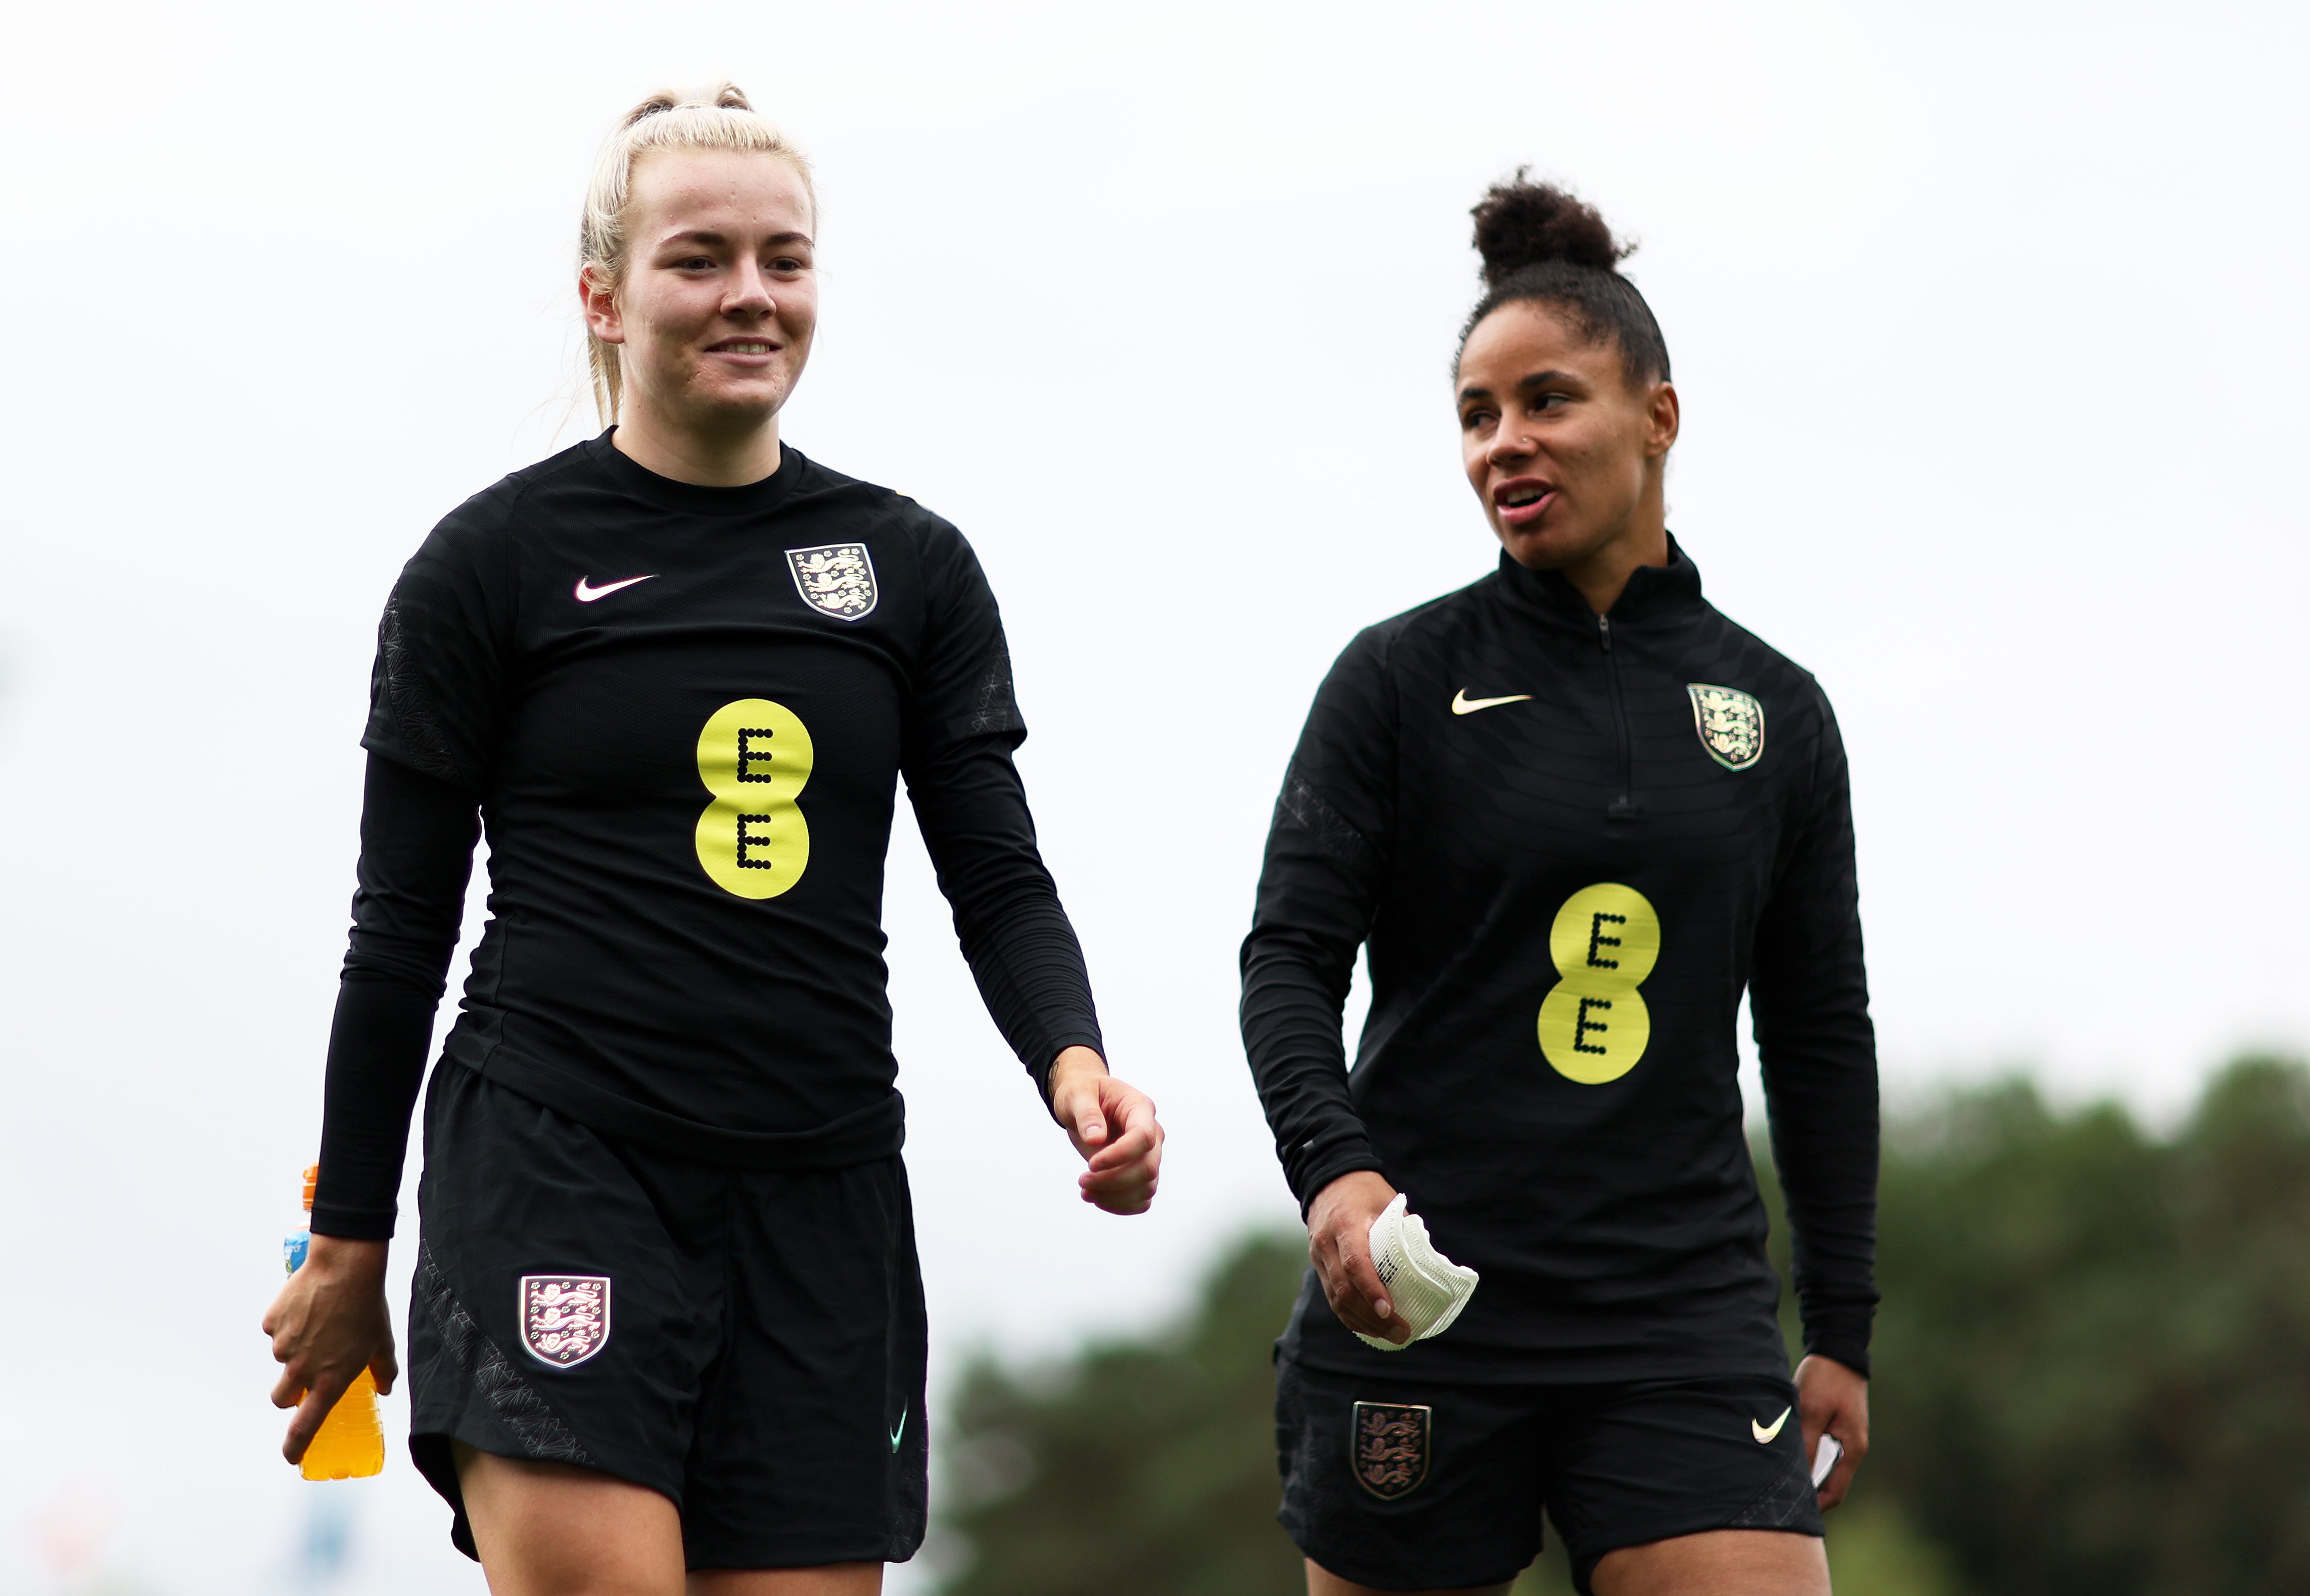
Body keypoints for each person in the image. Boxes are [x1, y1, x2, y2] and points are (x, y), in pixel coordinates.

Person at [261, 84, 1163, 1595]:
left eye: (783, 258)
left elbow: (993, 870)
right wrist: (352, 1244)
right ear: (604, 296)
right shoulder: (490, 565)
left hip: (821, 1192)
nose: (750, 294)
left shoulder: (909, 568)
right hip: (559, 1159)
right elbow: (396, 932)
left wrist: (1073, 1061)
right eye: (700, 259)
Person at [1240, 176, 1876, 1596]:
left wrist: (1840, 1325)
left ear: (1656, 415)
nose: (1504, 444)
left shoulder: (1773, 710)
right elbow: (1286, 961)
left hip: (1677, 1315)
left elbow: (1819, 1033)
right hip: (1422, 1303)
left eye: (1545, 401)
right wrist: (1335, 1177)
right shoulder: (1396, 680)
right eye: (1476, 414)